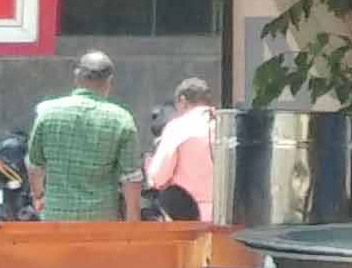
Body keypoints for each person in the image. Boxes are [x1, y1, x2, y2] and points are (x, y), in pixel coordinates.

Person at [23, 49, 142, 225]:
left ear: (76, 77)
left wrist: (39, 195)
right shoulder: (121, 119)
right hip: (101, 220)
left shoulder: (48, 114)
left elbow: (35, 165)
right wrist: (133, 218)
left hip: (56, 218)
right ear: (109, 82)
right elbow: (130, 177)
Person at [144, 77, 215, 222]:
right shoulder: (226, 124)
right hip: (227, 216)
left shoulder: (178, 127)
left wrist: (148, 164)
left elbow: (157, 177)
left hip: (188, 216)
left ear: (182, 100)